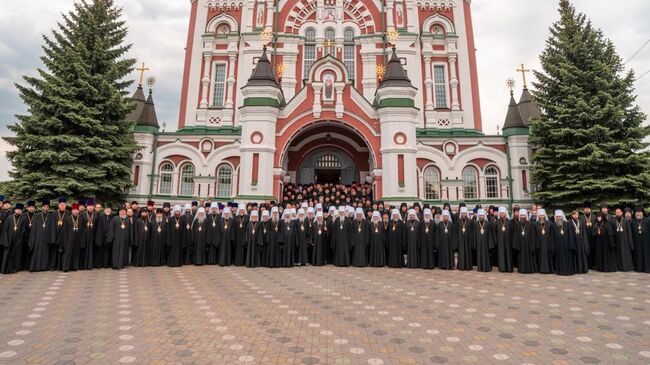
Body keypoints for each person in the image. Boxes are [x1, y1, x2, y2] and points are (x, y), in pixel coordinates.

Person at [28, 200, 56, 272]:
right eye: (44, 206)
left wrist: (52, 239)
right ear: (42, 207)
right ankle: (36, 267)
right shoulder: (37, 215)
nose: (45, 208)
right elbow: (33, 228)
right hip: (38, 237)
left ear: (48, 208)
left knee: (46, 253)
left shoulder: (51, 216)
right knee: (37, 252)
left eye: (47, 207)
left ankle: (44, 267)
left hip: (47, 238)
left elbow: (53, 228)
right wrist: (33, 238)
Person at [1, 203, 28, 274]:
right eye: (17, 209)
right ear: (15, 210)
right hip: (9, 240)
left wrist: (21, 238)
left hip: (18, 240)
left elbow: (25, 230)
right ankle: (5, 269)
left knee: (17, 255)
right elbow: (5, 230)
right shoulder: (9, 218)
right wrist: (6, 240)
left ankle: (15, 268)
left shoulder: (23, 219)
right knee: (7, 254)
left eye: (20, 210)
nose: (19, 211)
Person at [57, 203, 85, 272]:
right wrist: (65, 241)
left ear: (78, 211)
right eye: (74, 210)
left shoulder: (81, 219)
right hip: (69, 239)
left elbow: (82, 230)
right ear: (72, 211)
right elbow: (64, 230)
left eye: (76, 210)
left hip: (77, 238)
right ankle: (66, 267)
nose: (75, 211)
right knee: (68, 253)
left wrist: (82, 240)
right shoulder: (67, 218)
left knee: (76, 253)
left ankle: (74, 267)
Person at [512, 209, 537, 273]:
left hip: (528, 245)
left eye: (524, 215)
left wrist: (532, 245)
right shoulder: (518, 224)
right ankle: (522, 269)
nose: (522, 216)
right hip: (520, 245)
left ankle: (529, 269)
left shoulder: (530, 224)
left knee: (529, 257)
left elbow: (533, 236)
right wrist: (516, 246)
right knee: (521, 257)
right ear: (520, 216)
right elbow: (515, 235)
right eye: (521, 215)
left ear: (526, 216)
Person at [552, 210, 575, 276]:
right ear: (555, 217)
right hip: (558, 246)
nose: (558, 218)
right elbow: (552, 237)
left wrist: (571, 245)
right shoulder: (553, 225)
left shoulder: (567, 224)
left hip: (566, 246)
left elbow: (570, 235)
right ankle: (560, 271)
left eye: (560, 216)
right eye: (557, 217)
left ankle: (568, 271)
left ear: (562, 217)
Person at [611, 207, 634, 271]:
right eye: (616, 212)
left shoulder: (626, 221)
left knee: (625, 254)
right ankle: (618, 267)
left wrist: (630, 243)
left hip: (625, 241)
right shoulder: (613, 221)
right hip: (617, 241)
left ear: (621, 213)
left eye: (619, 212)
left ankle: (626, 267)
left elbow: (629, 232)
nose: (618, 213)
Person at [79, 198, 98, 270]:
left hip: (93, 236)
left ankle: (90, 265)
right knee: (84, 250)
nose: (91, 207)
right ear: (86, 206)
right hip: (84, 236)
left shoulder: (96, 215)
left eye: (92, 206)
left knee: (92, 251)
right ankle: (83, 265)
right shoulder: (82, 215)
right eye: (89, 206)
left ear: (93, 207)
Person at [535, 209, 554, 274]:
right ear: (538, 216)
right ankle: (541, 269)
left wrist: (551, 243)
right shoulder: (536, 224)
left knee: (548, 256)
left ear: (545, 215)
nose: (541, 217)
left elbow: (552, 234)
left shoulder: (550, 223)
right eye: (540, 215)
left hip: (548, 243)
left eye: (542, 215)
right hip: (539, 244)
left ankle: (549, 269)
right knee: (540, 256)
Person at [494, 207, 513, 273]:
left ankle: (509, 268)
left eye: (503, 213)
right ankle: (502, 268)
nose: (502, 214)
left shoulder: (509, 221)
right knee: (501, 255)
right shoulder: (497, 222)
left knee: (508, 254)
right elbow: (495, 232)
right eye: (501, 213)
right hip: (500, 242)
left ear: (505, 214)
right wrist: (496, 240)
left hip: (508, 241)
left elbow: (512, 232)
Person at [632, 207, 650, 273]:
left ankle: (647, 268)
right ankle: (639, 268)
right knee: (638, 255)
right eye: (637, 212)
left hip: (647, 242)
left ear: (643, 213)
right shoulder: (633, 221)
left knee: (647, 254)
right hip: (637, 242)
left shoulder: (647, 220)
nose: (638, 214)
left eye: (639, 212)